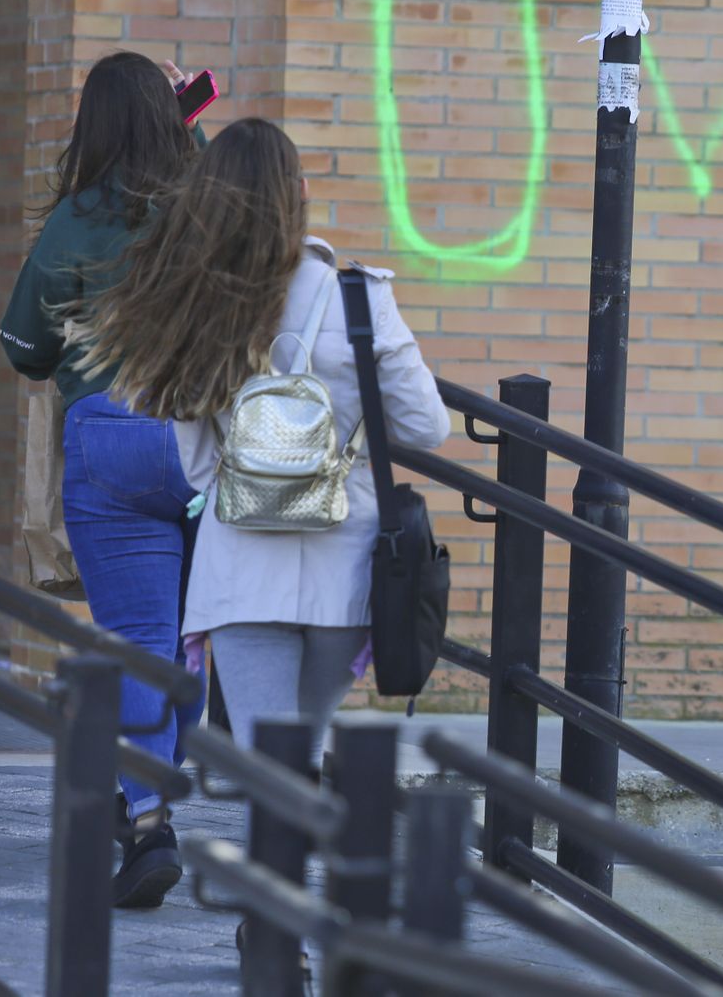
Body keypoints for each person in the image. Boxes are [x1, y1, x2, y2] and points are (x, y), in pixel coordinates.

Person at [68, 117, 451, 774]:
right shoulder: (361, 299)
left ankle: (281, 868)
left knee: (267, 768)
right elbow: (427, 428)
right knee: (305, 745)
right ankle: (305, 870)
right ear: (298, 191)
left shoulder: (202, 306)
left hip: (242, 571)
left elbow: (192, 468)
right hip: (346, 570)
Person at [0, 51, 207, 909]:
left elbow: (23, 349)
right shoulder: (211, 210)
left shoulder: (77, 221)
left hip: (111, 439)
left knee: (136, 643)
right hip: (204, 440)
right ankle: (159, 783)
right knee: (194, 643)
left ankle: (149, 818)